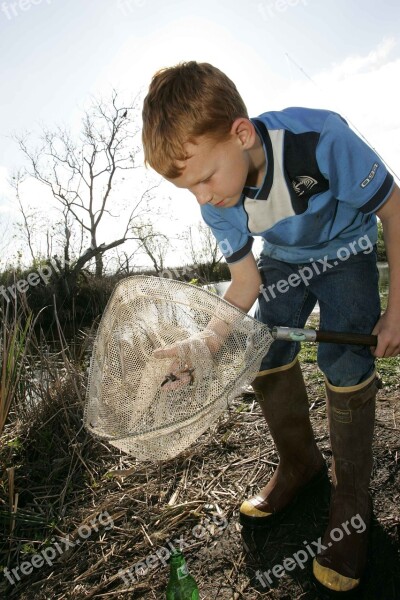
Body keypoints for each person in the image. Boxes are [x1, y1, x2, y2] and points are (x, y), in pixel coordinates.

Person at [141, 61, 400, 593]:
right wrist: (205, 346)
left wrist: (397, 309)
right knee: (265, 350)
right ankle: (298, 464)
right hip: (284, 262)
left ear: (241, 133)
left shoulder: (319, 138)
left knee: (346, 354)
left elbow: (395, 212)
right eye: (190, 189)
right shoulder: (219, 202)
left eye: (207, 178)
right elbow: (244, 284)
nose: (205, 198)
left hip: (348, 250)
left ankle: (351, 498)